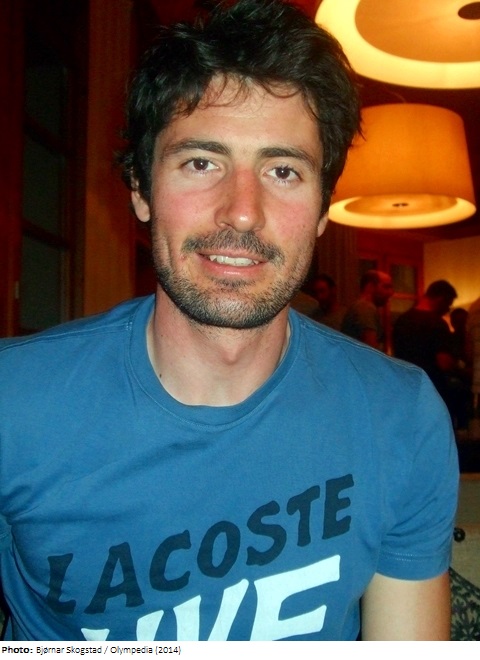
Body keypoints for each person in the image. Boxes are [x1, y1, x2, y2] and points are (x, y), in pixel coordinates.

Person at [0, 0, 457, 642]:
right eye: (201, 162)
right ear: (140, 189)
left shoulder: (400, 416)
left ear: (322, 211)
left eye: (283, 170)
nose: (242, 211)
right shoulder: (14, 404)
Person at [393, 280, 469, 429]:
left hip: (405, 386)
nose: (447, 310)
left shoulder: (402, 320)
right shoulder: (437, 324)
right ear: (441, 299)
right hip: (432, 388)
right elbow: (444, 363)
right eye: (448, 304)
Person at [340, 270, 393, 349]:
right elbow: (370, 349)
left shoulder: (361, 307)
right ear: (370, 287)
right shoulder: (366, 308)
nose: (391, 292)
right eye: (386, 287)